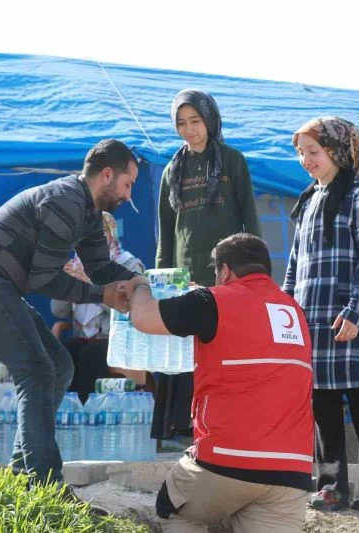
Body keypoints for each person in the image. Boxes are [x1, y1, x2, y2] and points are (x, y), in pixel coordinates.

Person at [0, 139, 139, 490]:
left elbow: (100, 268)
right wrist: (103, 295)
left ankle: (22, 474)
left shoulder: (89, 213)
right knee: (34, 370)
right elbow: (44, 278)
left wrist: (138, 283)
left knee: (60, 366)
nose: (128, 195)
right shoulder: (65, 201)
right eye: (128, 184)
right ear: (107, 175)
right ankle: (45, 482)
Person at [126, 233, 314, 533]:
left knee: (172, 506)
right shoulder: (295, 311)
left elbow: (143, 317)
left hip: (226, 463)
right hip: (293, 474)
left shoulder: (210, 302)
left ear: (224, 270)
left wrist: (139, 286)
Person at [283, 116, 359, 512]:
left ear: (336, 150)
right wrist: (285, 311)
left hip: (352, 320)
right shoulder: (308, 201)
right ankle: (332, 487)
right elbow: (294, 265)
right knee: (323, 404)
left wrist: (354, 311)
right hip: (312, 320)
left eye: (313, 151)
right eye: (300, 152)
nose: (305, 159)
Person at [154, 88, 261, 440]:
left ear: (210, 120)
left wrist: (254, 270)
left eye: (195, 121)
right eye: (181, 123)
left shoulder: (232, 161)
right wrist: (162, 282)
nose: (189, 130)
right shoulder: (172, 170)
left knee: (223, 348)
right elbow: (166, 234)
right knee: (185, 353)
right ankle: (183, 425)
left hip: (228, 276)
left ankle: (226, 423)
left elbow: (250, 219)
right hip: (185, 276)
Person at [50, 211, 145, 403]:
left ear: (112, 234)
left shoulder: (128, 264)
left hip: (117, 339)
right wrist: (64, 284)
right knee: (66, 351)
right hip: (84, 337)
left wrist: (91, 286)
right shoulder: (76, 264)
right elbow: (58, 311)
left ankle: (91, 412)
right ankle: (65, 412)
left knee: (90, 354)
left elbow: (130, 308)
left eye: (101, 233)